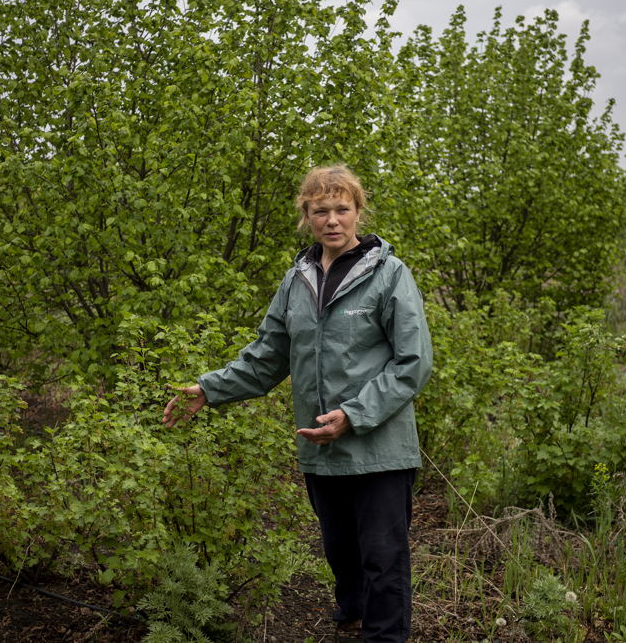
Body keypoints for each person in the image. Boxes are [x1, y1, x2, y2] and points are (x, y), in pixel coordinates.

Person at [162, 164, 433, 643]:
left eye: (342, 209)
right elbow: (268, 355)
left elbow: (413, 363)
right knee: (340, 552)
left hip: (380, 447)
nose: (332, 219)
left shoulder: (390, 275)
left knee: (383, 555)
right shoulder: (297, 281)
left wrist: (353, 414)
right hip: (321, 449)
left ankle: (385, 635)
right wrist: (209, 389)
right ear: (306, 216)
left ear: (358, 213)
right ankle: (354, 618)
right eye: (320, 210)